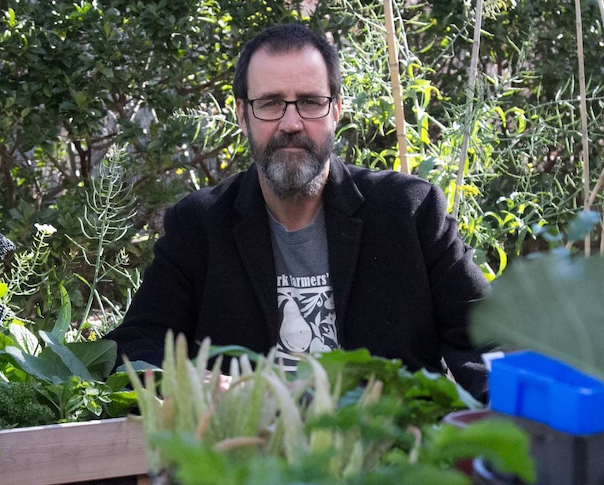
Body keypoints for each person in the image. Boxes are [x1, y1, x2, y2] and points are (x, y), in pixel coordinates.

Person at [105, 23, 492, 401]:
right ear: (243, 115)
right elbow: (132, 349)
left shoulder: (408, 211)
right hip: (251, 456)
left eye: (310, 102)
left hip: (391, 451)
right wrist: (196, 382)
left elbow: (488, 336)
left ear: (336, 110)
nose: (291, 123)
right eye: (270, 103)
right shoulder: (200, 226)